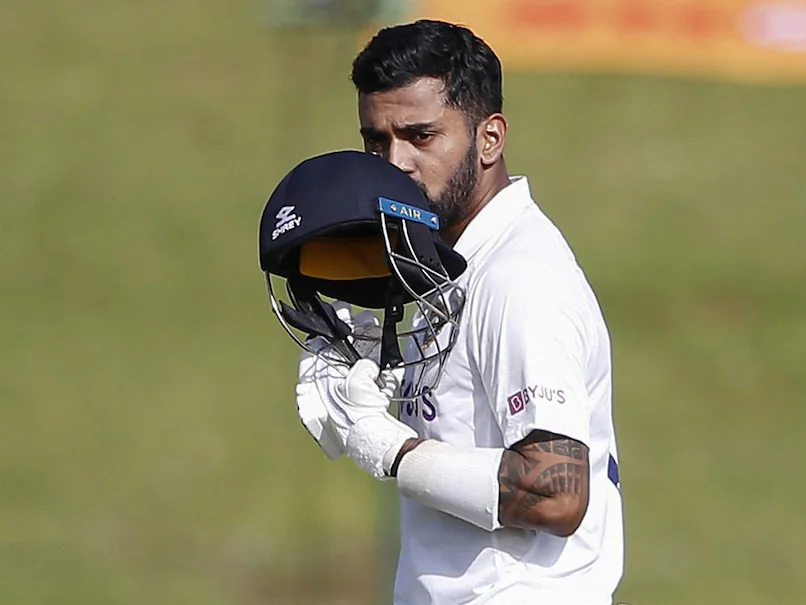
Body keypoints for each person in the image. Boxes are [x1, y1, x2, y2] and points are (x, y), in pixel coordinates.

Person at [275, 18, 625, 605]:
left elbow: (557, 493)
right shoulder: (449, 267)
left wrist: (390, 449)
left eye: (421, 136)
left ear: (490, 139)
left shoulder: (520, 279)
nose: (397, 163)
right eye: (377, 141)